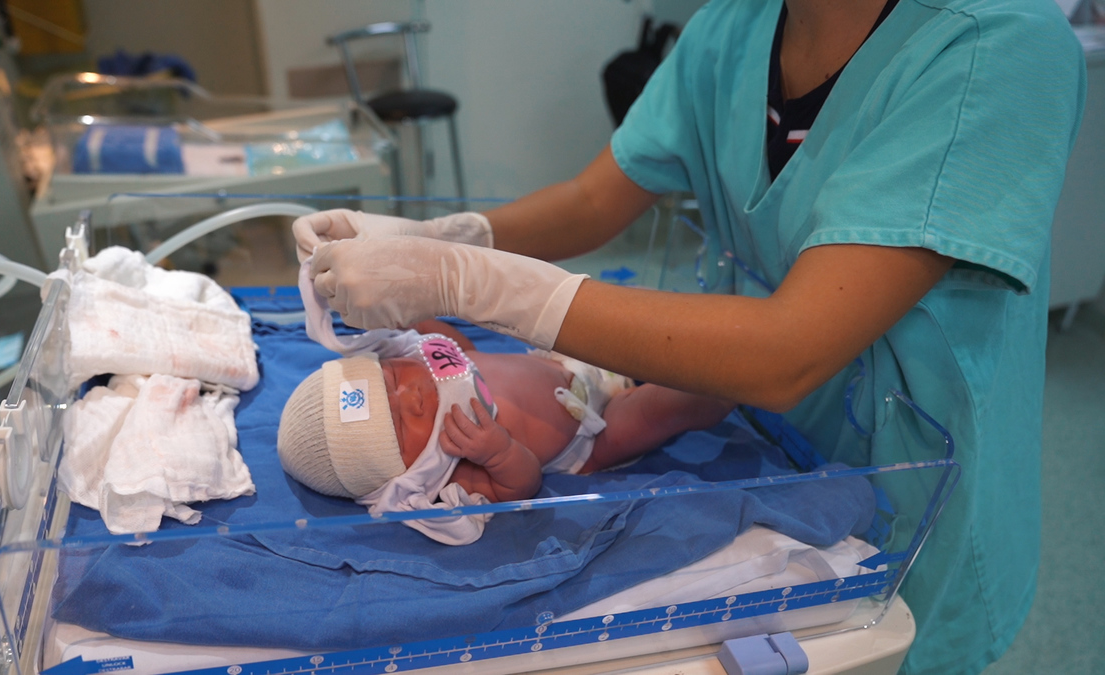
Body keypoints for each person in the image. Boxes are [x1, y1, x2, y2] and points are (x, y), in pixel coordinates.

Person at [291, 1, 1085, 672]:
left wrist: (466, 281)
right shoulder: (736, 27)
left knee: (882, 643)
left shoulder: (991, 46)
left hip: (912, 481)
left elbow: (789, 351)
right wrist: (433, 239)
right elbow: (594, 200)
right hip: (743, 408)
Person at [277, 319, 733, 514]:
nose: (410, 395)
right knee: (660, 409)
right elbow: (521, 485)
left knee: (633, 328)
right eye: (400, 422)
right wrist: (498, 453)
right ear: (404, 471)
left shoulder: (430, 366)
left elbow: (466, 352)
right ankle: (721, 387)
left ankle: (698, 341)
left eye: (392, 376)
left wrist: (421, 317)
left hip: (563, 362)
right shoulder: (454, 466)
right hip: (591, 431)